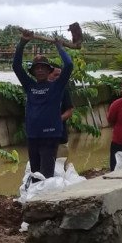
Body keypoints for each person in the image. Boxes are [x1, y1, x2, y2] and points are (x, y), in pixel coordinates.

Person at [12, 29, 73, 178]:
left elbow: (69, 65)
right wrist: (22, 43)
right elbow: (16, 67)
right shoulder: (30, 86)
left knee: (46, 174)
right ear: (33, 72)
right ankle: (36, 197)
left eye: (43, 67)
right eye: (37, 68)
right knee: (35, 173)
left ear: (48, 70)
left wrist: (59, 46)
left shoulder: (57, 87)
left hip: (50, 135)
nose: (40, 70)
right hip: (33, 135)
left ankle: (45, 198)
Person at [48, 66, 74, 145]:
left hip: (60, 137)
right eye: (55, 75)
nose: (58, 77)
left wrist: (57, 120)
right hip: (42, 138)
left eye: (60, 75)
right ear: (48, 75)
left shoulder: (63, 90)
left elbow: (70, 111)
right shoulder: (38, 90)